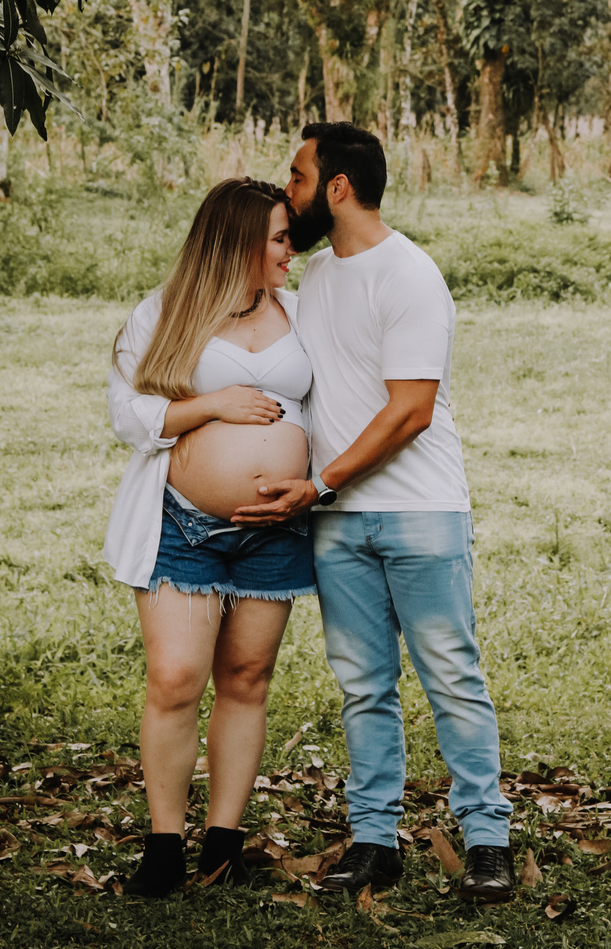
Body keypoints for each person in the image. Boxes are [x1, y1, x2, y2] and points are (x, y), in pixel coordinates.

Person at [231, 122, 515, 904]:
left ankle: (487, 840)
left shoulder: (410, 274)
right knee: (364, 686)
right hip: (337, 522)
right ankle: (374, 841)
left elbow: (410, 411)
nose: (287, 190)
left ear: (338, 187)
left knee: (451, 675)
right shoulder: (316, 277)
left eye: (297, 177)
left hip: (419, 511)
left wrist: (320, 483)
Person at [104, 177, 315, 900]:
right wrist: (212, 405)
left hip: (276, 530)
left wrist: (310, 484)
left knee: (247, 679)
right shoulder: (164, 312)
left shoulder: (302, 311)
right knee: (174, 679)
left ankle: (222, 845)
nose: (291, 250)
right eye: (281, 238)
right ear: (239, 242)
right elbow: (128, 415)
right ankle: (165, 845)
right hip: (183, 525)